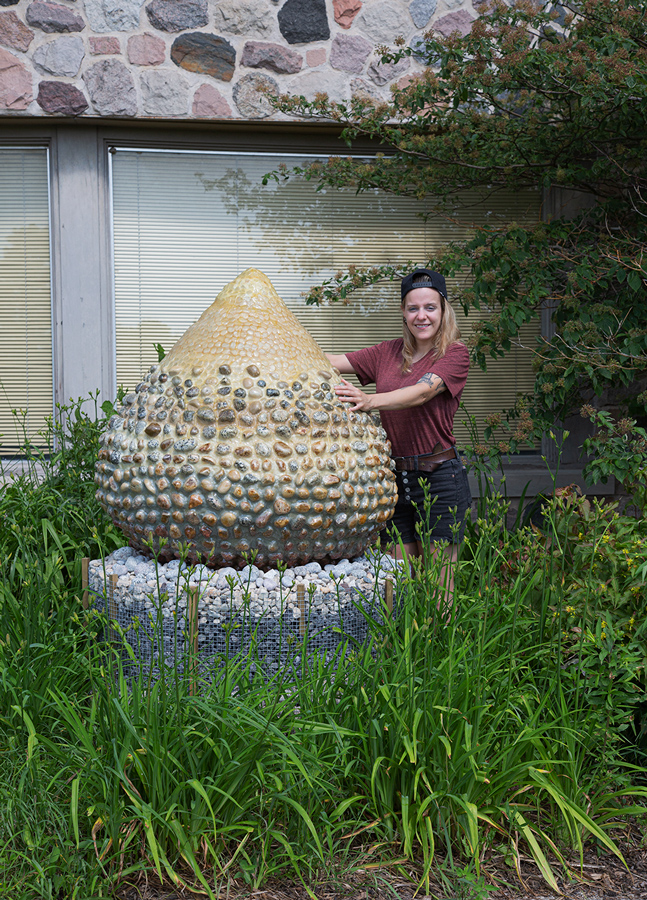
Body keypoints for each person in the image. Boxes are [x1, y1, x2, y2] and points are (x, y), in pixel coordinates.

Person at [325, 268, 472, 603]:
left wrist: (369, 401)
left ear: (443, 310)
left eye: (430, 307)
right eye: (413, 308)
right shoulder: (387, 353)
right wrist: (275, 345)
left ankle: (440, 652)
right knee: (397, 585)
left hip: (439, 479)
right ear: (403, 313)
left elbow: (422, 393)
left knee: (439, 589)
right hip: (395, 480)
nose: (421, 316)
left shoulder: (455, 353)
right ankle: (403, 655)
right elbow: (329, 362)